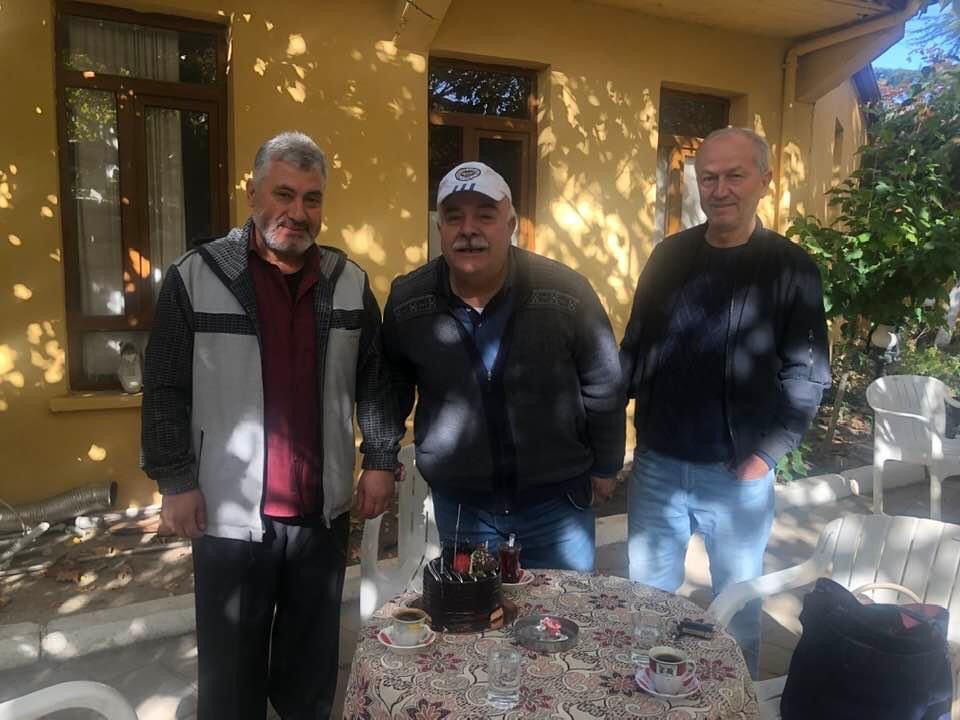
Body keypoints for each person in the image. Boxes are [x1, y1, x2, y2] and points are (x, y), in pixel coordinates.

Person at [141, 131, 398, 720]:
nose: (297, 212)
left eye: (312, 198)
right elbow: (164, 388)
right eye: (284, 194)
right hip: (230, 517)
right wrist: (175, 480)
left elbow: (375, 379)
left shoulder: (348, 281)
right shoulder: (196, 276)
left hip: (320, 515)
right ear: (252, 193)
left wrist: (381, 459)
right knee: (231, 683)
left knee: (310, 677)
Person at [620, 127, 830, 677]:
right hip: (659, 466)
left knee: (737, 611)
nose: (719, 190)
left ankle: (733, 703)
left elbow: (807, 376)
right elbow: (635, 349)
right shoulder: (669, 257)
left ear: (764, 180)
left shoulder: (791, 269)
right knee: (646, 605)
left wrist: (766, 456)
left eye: (734, 176)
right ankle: (648, 700)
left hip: (737, 476)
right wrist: (595, 421)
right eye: (708, 177)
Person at [382, 161, 625, 573]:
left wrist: (606, 466)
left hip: (557, 510)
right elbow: (391, 388)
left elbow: (604, 382)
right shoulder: (410, 302)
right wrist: (380, 458)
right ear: (440, 229)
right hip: (464, 510)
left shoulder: (565, 292)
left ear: (510, 224)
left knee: (565, 610)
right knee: (475, 611)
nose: (468, 229)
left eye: (485, 215)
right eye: (454, 217)